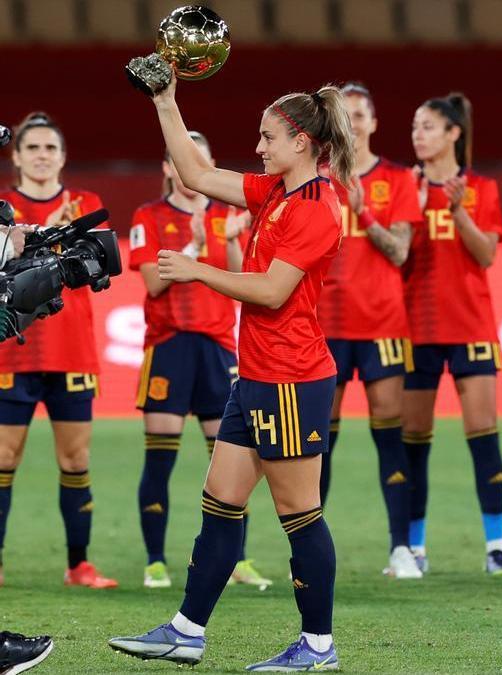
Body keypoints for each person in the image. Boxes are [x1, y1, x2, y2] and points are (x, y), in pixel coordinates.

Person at [108, 73, 348, 669]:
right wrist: (166, 101)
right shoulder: (276, 192)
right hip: (258, 376)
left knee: (300, 514)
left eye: (268, 137)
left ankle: (318, 645)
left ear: (301, 141)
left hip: (292, 378)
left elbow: (271, 291)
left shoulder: (319, 207)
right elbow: (196, 174)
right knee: (220, 500)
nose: (259, 147)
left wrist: (197, 270)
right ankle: (187, 629)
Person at [128, 131, 272, 591]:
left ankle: (239, 560)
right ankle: (155, 561)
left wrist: (229, 242)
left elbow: (246, 278)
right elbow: (152, 284)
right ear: (169, 167)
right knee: (160, 459)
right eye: (182, 159)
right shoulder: (148, 216)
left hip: (218, 348)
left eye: (201, 157)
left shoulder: (230, 215)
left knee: (233, 460)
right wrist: (190, 248)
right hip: (168, 347)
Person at [0, 112, 118, 589]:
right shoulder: (2, 206)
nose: (42, 155)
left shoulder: (86, 203)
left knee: (76, 460)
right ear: (16, 156)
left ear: (63, 157)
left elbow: (100, 275)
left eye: (51, 148)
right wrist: (31, 238)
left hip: (71, 349)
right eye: (33, 148)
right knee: (3, 460)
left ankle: (79, 565)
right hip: (12, 350)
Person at [318, 82, 423, 580]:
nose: (353, 123)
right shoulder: (316, 180)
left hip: (382, 322)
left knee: (389, 435)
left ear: (374, 122)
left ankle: (401, 548)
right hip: (326, 325)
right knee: (321, 442)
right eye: (345, 116)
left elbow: (401, 252)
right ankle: (312, 547)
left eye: (360, 114)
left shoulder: (397, 180)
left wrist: (363, 211)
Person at [403, 93, 502, 575]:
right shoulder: (402, 185)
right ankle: (415, 548)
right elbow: (396, 257)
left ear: (453, 133)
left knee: (483, 436)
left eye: (428, 126)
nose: (418, 134)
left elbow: (487, 255)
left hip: (470, 324)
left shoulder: (481, 188)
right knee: (414, 442)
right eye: (415, 127)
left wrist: (459, 210)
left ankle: (496, 548)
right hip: (416, 325)